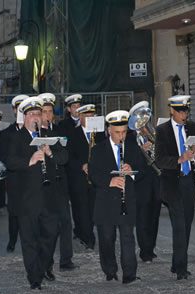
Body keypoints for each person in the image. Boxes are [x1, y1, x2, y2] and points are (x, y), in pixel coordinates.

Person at [3, 96, 68, 290]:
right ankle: (34, 277)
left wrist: (50, 152)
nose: (36, 118)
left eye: (38, 114)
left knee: (49, 236)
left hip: (49, 197)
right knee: (29, 240)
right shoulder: (16, 137)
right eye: (32, 114)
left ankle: (41, 267)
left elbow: (64, 157)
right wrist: (29, 160)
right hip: (27, 198)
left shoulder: (49, 135)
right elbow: (10, 161)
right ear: (24, 118)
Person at [88, 110, 144, 284]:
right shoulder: (98, 150)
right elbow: (93, 175)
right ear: (109, 131)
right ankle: (110, 270)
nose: (121, 136)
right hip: (106, 202)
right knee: (106, 238)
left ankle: (129, 274)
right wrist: (110, 181)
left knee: (128, 237)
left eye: (124, 132)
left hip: (127, 200)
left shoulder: (133, 147)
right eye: (118, 132)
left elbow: (142, 171)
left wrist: (132, 172)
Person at [155, 95, 195, 280]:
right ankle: (181, 268)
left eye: (186, 111)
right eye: (180, 111)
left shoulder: (193, 128)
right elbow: (160, 159)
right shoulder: (162, 130)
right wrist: (179, 160)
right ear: (172, 110)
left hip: (189, 181)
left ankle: (176, 263)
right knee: (179, 225)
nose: (184, 115)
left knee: (187, 224)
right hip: (173, 182)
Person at [39, 92, 78, 272]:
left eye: (50, 112)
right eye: (44, 112)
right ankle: (45, 262)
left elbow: (64, 156)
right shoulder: (35, 133)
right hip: (42, 184)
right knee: (48, 226)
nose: (47, 115)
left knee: (65, 221)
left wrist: (52, 153)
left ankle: (66, 259)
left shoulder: (59, 131)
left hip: (59, 181)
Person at [66, 104, 106, 249]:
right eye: (87, 117)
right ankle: (88, 238)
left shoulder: (100, 134)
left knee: (93, 209)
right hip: (79, 178)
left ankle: (88, 233)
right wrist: (82, 166)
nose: (90, 119)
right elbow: (68, 157)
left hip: (96, 179)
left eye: (92, 116)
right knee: (82, 209)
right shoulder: (73, 133)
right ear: (81, 118)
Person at [128, 101, 162, 263]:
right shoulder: (129, 138)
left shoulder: (153, 133)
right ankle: (144, 251)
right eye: (140, 120)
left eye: (145, 119)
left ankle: (151, 247)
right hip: (140, 183)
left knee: (154, 216)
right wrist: (142, 150)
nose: (143, 124)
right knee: (142, 218)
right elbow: (129, 160)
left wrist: (155, 148)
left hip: (155, 181)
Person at [2, 94, 29, 252]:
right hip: (15, 177)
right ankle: (12, 239)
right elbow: (4, 155)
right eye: (18, 109)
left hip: (31, 177)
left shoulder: (34, 131)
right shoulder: (7, 133)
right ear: (14, 110)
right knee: (14, 212)